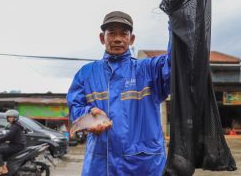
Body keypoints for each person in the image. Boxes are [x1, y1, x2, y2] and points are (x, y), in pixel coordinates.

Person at [67, 11, 171, 175]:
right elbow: (75, 108)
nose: (117, 38)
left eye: (123, 33)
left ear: (131, 39)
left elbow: (176, 62)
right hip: (99, 166)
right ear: (102, 38)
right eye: (111, 33)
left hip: (143, 167)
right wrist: (90, 114)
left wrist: (177, 22)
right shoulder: (86, 74)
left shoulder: (149, 70)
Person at [0, 109, 26, 175]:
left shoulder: (15, 126)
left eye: (11, 117)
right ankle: (8, 169)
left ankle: (4, 169)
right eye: (9, 117)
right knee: (2, 154)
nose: (10, 118)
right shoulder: (16, 125)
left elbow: (7, 137)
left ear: (15, 118)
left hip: (16, 146)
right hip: (18, 145)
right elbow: (9, 135)